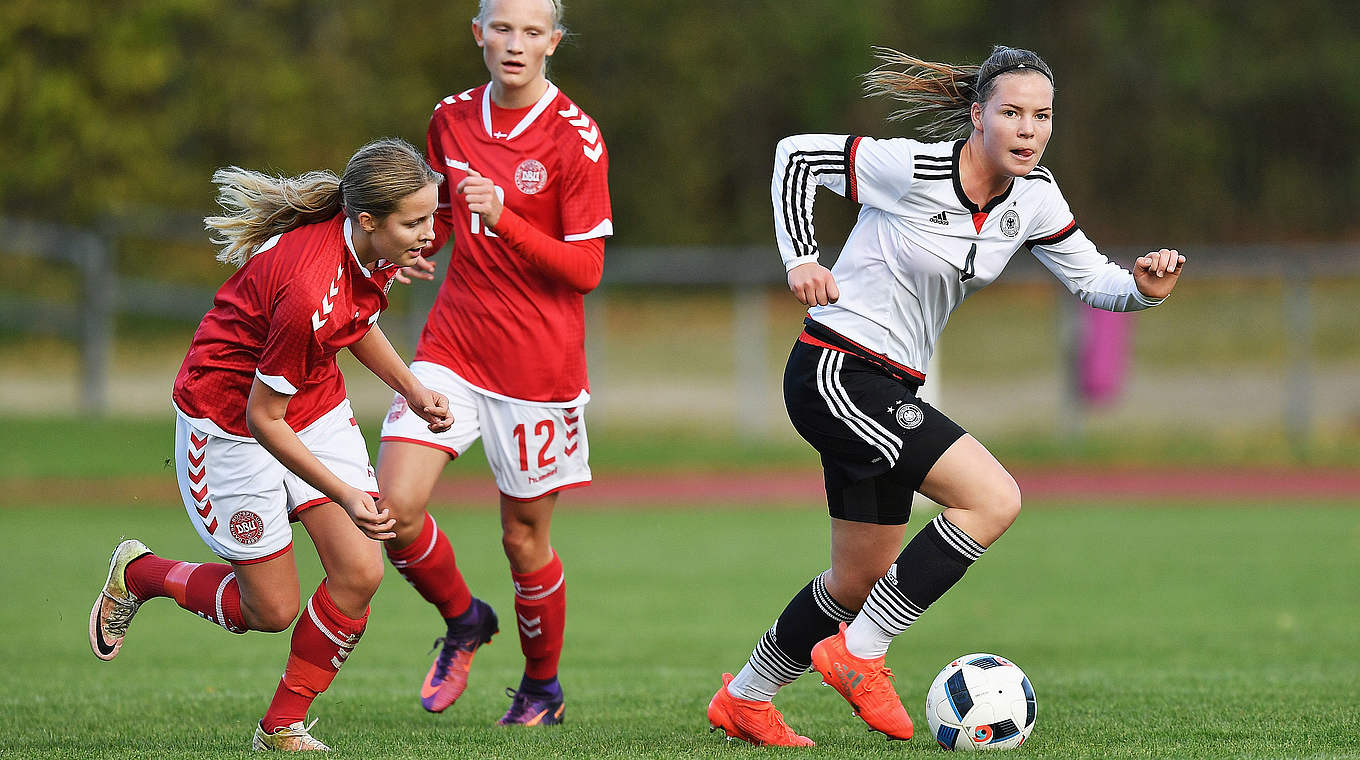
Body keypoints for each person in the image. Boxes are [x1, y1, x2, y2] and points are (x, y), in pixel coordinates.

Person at [707, 45, 1186, 747]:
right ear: (976, 117)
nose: (1028, 129)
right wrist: (801, 257)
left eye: (1042, 115)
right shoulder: (915, 168)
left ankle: (745, 698)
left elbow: (1094, 282)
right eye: (1012, 112)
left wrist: (1144, 289)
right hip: (836, 371)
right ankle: (858, 655)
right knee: (993, 498)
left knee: (856, 581)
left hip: (887, 383)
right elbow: (796, 158)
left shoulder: (1036, 197)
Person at [88, 138, 453, 751]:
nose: (428, 234)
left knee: (360, 570)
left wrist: (412, 388)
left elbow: (354, 322)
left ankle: (281, 728)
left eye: (429, 217)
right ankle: (141, 574)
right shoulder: (312, 287)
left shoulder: (372, 248)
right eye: (415, 222)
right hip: (229, 425)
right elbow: (264, 417)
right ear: (367, 220)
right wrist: (343, 493)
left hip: (309, 405)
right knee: (271, 610)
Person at [375, 0, 611, 727]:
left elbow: (587, 269)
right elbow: (443, 216)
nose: (515, 44)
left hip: (538, 371)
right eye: (501, 28)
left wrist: (506, 215)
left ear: (553, 43)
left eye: (531, 32)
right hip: (453, 346)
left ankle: (543, 687)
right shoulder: (449, 118)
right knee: (390, 509)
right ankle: (463, 618)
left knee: (522, 539)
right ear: (479, 34)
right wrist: (416, 247)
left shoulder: (577, 139)